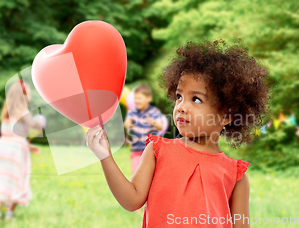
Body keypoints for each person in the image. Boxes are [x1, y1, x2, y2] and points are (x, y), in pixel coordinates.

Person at [86, 39, 270, 228]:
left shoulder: (235, 175)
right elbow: (132, 200)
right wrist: (105, 157)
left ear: (226, 115)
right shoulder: (158, 151)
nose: (181, 107)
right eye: (179, 97)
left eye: (196, 99)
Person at [0, 81, 43, 222]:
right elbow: (33, 124)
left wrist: (29, 146)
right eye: (28, 92)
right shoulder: (22, 112)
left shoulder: (7, 112)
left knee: (1, 179)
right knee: (17, 179)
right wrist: (39, 125)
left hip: (2, 149)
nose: (30, 95)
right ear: (24, 96)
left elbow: (12, 135)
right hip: (15, 152)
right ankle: (9, 214)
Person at [124, 84, 163, 176]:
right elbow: (126, 123)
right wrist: (127, 123)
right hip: (136, 150)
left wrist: (152, 122)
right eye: (135, 98)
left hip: (150, 151)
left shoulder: (153, 112)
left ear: (148, 98)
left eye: (140, 98)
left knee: (151, 175)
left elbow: (160, 127)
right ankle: (138, 189)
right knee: (136, 174)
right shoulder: (133, 112)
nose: (137, 101)